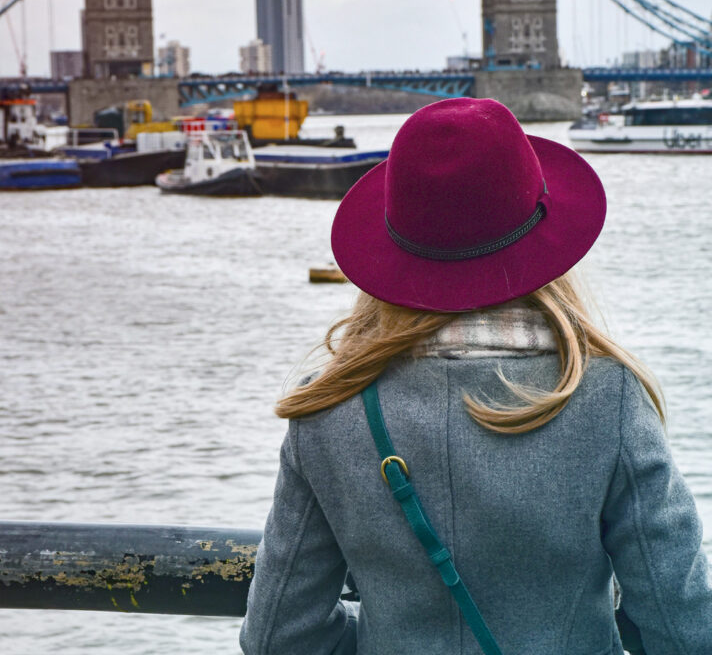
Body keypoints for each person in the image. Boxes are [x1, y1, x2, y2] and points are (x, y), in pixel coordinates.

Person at [239, 98, 712, 655]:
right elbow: (684, 631)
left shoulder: (326, 410)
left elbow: (277, 637)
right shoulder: (606, 397)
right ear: (543, 241)